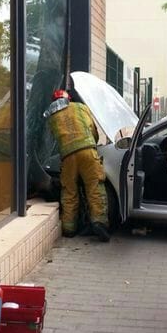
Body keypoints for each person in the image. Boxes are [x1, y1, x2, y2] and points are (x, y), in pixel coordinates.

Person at [45, 89, 110, 242]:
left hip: (68, 156)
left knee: (69, 191)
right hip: (87, 152)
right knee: (95, 187)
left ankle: (69, 228)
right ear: (69, 99)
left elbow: (52, 139)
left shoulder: (52, 116)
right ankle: (99, 223)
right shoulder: (80, 108)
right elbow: (94, 132)